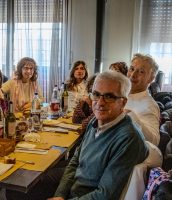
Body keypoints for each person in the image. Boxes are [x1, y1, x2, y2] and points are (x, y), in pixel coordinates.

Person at [49, 70, 148, 200]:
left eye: (109, 96)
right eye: (96, 94)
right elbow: (75, 161)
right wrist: (60, 194)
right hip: (73, 190)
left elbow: (106, 195)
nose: (100, 103)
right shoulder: (95, 121)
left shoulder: (128, 138)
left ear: (123, 102)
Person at [122, 53, 163, 199]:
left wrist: (132, 117)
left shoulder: (149, 105)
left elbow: (154, 141)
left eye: (141, 71)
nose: (133, 74)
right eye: (132, 69)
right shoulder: (121, 95)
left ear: (151, 78)